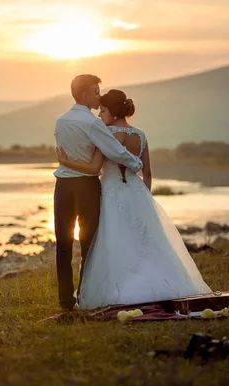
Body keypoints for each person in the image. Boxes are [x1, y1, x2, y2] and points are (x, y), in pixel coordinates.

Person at [57, 88, 212, 309]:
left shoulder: (106, 134)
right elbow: (147, 172)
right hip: (137, 192)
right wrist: (145, 198)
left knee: (113, 242)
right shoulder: (140, 135)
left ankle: (119, 289)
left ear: (112, 111)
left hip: (111, 193)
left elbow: (94, 167)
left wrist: (65, 161)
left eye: (102, 111)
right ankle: (163, 283)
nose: (100, 116)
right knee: (146, 243)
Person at [53, 75, 143, 311]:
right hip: (86, 186)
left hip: (62, 186)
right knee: (88, 244)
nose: (99, 96)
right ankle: (84, 295)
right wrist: (136, 164)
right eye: (95, 92)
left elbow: (63, 153)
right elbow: (115, 151)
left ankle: (65, 301)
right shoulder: (93, 124)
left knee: (62, 242)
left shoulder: (60, 121)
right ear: (84, 96)